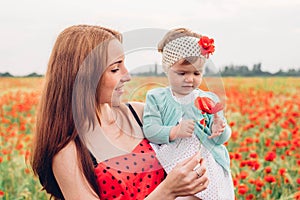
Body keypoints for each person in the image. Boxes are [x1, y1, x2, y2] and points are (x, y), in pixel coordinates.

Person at [30, 25, 209, 200]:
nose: (127, 75)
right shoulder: (69, 152)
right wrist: (167, 191)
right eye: (115, 69)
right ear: (85, 77)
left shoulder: (140, 114)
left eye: (124, 64)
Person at [143, 28, 235, 199]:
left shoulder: (209, 99)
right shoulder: (156, 97)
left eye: (196, 73)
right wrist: (175, 131)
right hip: (175, 167)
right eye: (182, 73)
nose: (190, 79)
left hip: (208, 164)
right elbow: (150, 130)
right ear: (166, 68)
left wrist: (220, 129)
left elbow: (219, 141)